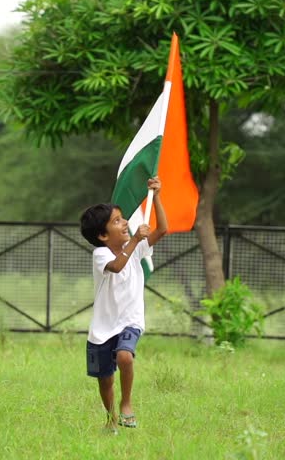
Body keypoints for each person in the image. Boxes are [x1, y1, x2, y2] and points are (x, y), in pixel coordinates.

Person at [78, 176, 168, 433]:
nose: (125, 222)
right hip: (102, 328)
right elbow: (117, 267)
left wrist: (157, 195)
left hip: (130, 320)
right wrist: (135, 241)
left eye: (122, 218)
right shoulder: (101, 254)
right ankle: (111, 418)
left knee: (125, 355)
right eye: (117, 221)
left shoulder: (136, 247)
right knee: (105, 381)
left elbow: (162, 229)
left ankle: (126, 402)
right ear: (103, 235)